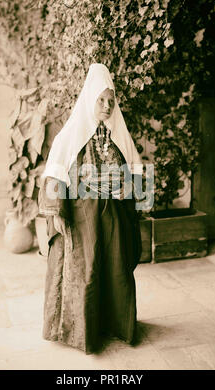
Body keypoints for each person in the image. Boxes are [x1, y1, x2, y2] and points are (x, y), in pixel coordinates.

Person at [38, 63, 143, 354]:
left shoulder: (120, 135)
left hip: (113, 215)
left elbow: (135, 174)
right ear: (89, 99)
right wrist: (56, 211)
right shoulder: (69, 135)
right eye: (101, 99)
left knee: (115, 268)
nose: (107, 105)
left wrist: (129, 187)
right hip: (81, 216)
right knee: (86, 272)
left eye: (111, 100)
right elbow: (55, 172)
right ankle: (82, 332)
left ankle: (115, 325)